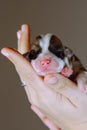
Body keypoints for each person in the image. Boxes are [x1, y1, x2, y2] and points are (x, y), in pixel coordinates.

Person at [1, 24, 87, 130]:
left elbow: (81, 70)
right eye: (35, 54)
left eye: (56, 52)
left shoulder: (73, 67)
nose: (45, 60)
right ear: (28, 57)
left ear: (68, 54)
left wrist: (81, 124)